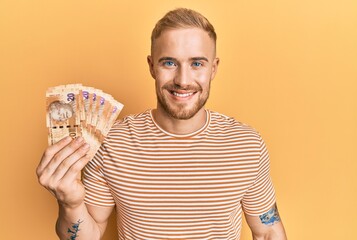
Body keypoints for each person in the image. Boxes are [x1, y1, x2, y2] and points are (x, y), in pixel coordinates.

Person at [37, 8, 287, 240]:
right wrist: (70, 204)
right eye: (169, 63)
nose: (183, 80)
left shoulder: (246, 145)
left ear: (213, 68)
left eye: (197, 63)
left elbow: (267, 230)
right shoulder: (112, 143)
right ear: (151, 66)